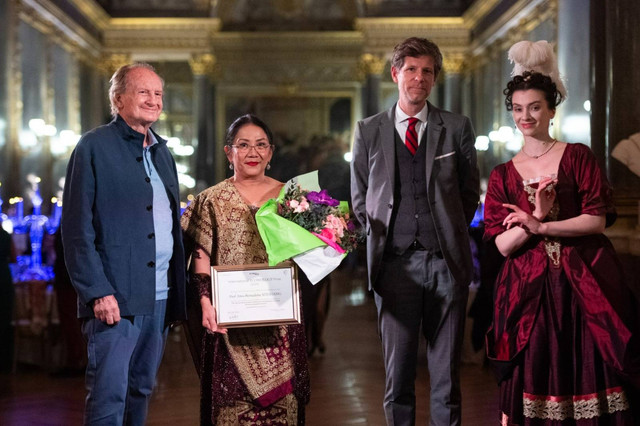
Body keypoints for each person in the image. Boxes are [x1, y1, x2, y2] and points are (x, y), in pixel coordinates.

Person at [483, 40, 639, 425]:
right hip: (526, 291)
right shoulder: (503, 174)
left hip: (583, 283)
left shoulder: (578, 156)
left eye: (534, 107)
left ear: (551, 109)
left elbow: (597, 220)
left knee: (586, 361)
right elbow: (502, 245)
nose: (526, 116)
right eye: (518, 109)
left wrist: (540, 224)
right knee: (534, 365)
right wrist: (534, 216)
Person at [350, 37, 479, 425]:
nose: (418, 78)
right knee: (398, 379)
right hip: (394, 266)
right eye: (411, 69)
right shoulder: (369, 129)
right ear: (395, 73)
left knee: (446, 380)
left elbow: (468, 193)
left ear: (435, 78)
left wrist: (447, 231)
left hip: (445, 266)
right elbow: (360, 196)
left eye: (426, 71)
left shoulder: (456, 127)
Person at [61, 62, 187, 425]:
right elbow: (76, 228)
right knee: (109, 394)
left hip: (159, 294)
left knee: (141, 389)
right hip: (114, 297)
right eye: (144, 92)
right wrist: (98, 291)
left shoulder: (163, 152)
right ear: (118, 99)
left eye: (159, 94)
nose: (154, 100)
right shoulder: (93, 146)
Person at [181, 114, 310, 425]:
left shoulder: (293, 198)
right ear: (230, 153)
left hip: (280, 317)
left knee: (285, 407)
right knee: (230, 410)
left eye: (260, 145)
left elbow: (311, 255)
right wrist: (204, 302)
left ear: (271, 151)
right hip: (229, 322)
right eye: (243, 145)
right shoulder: (211, 200)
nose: (253, 152)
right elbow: (200, 256)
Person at [0, 219, 16, 373]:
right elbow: (14, 257)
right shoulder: (5, 235)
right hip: (4, 278)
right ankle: (6, 362)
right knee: (5, 321)